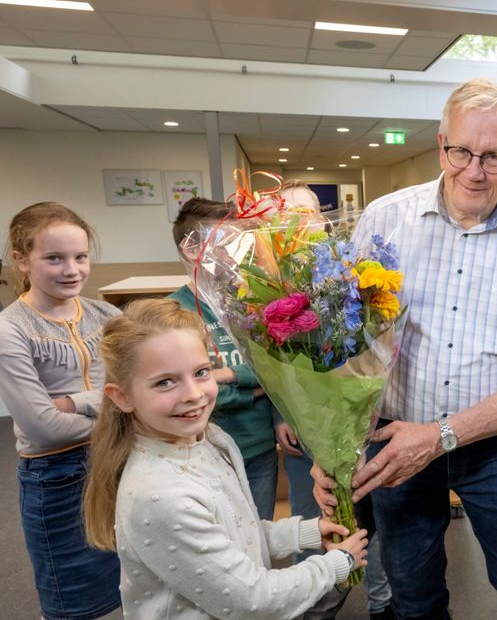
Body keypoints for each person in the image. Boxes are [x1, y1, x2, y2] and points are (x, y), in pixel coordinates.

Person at [313, 78, 497, 620]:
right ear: (441, 144)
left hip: (496, 450)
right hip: (394, 439)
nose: (474, 170)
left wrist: (440, 436)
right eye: (461, 151)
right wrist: (334, 443)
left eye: (494, 156)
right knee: (414, 597)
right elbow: (348, 343)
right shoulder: (385, 219)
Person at [81, 298, 368, 619]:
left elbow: (239, 532)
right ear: (122, 397)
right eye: (165, 382)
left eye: (201, 372)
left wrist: (311, 532)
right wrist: (337, 564)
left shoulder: (211, 439)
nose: (192, 393)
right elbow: (252, 601)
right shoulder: (159, 496)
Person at [275, 181, 395, 620]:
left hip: (364, 425)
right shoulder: (273, 280)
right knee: (326, 522)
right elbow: (282, 367)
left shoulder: (346, 269)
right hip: (314, 431)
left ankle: (381, 602)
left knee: (375, 523)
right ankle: (318, 604)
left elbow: (369, 344)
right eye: (288, 216)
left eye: (309, 214)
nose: (301, 225)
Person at [0, 202, 121, 620]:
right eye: (54, 258)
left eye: (80, 257)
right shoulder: (11, 329)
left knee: (137, 583)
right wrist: (119, 410)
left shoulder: (109, 316)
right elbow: (44, 428)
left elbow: (138, 390)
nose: (72, 269)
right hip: (58, 477)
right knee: (74, 601)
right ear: (21, 259)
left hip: (121, 465)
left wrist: (74, 402)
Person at [168, 198, 279, 521]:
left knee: (259, 542)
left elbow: (275, 372)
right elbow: (189, 393)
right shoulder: (175, 313)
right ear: (192, 248)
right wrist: (254, 386)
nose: (238, 252)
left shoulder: (251, 304)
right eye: (227, 241)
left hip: (258, 447)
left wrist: (224, 375)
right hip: (204, 449)